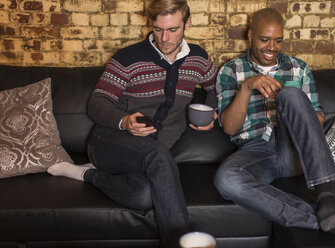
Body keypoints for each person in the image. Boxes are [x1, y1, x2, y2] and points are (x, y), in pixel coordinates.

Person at [47, 0, 218, 247]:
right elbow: (97, 102)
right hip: (109, 141)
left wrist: (211, 110)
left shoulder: (198, 59)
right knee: (159, 156)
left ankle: (87, 174)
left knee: (144, 195)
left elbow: (216, 87)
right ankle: (181, 242)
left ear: (187, 24)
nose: (165, 38)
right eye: (158, 29)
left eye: (173, 30)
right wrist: (124, 121)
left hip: (150, 153)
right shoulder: (128, 58)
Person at [214, 7, 335, 248]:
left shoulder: (298, 68)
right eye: (264, 39)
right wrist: (247, 87)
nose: (271, 47)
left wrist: (292, 107)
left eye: (278, 40)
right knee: (226, 179)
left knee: (290, 96)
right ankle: (324, 220)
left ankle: (328, 196)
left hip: (294, 149)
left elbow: (317, 121)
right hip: (256, 151)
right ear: (250, 35)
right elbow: (229, 129)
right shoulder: (230, 70)